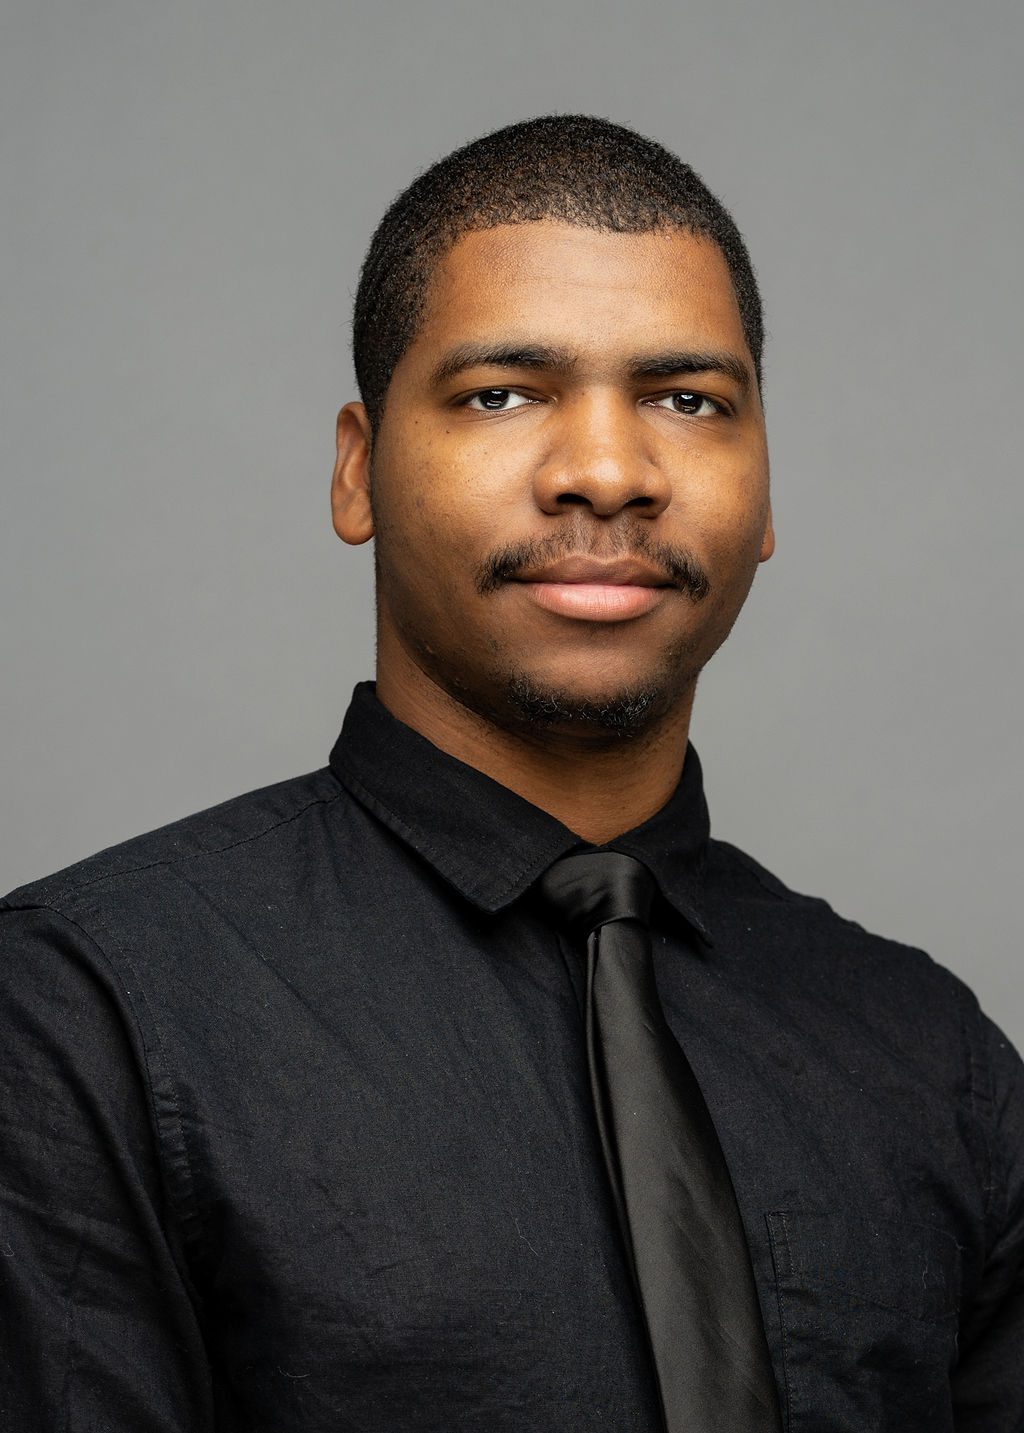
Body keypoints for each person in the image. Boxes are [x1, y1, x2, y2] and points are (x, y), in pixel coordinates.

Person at [1, 115, 1021, 1432]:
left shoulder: (933, 1056)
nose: (606, 468)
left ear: (764, 492)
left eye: (688, 399)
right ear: (358, 469)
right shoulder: (78, 1016)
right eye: (502, 391)